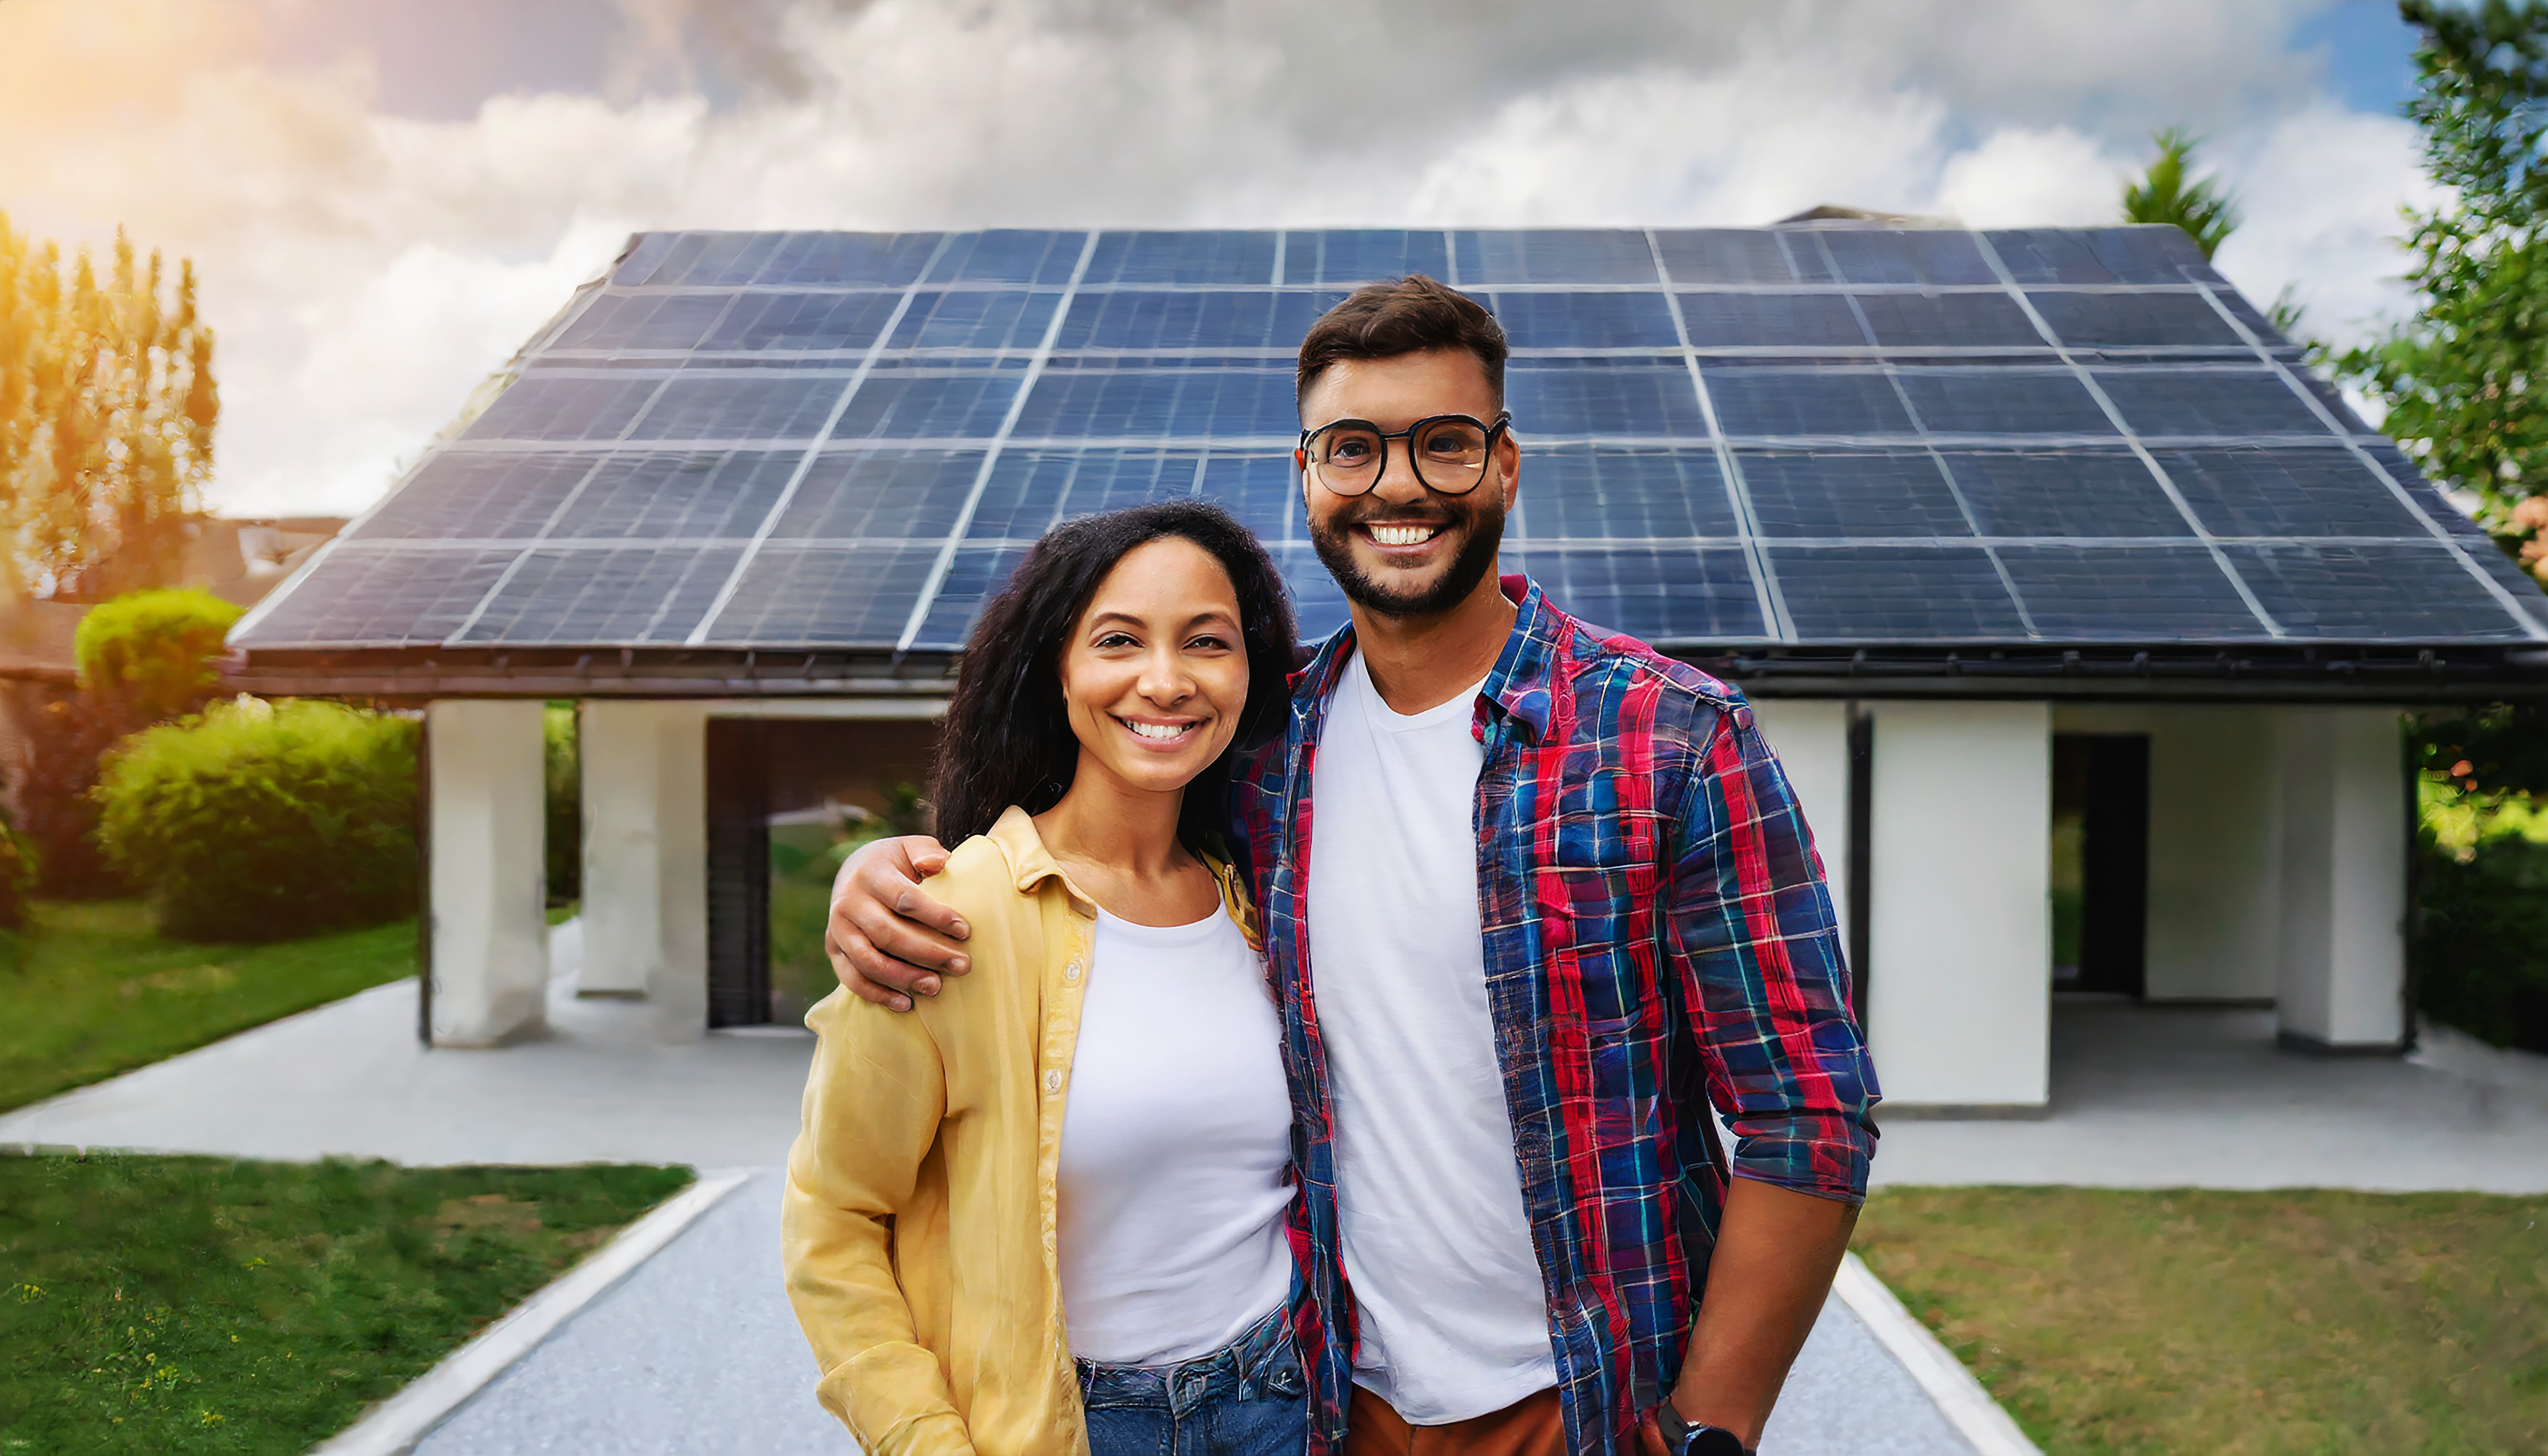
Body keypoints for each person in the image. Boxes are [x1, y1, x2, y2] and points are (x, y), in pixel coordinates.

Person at [826, 276, 1881, 1456]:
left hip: (1586, 1406)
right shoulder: (1266, 750)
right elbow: (1095, 830)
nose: (1399, 485)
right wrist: (881, 868)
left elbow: (1809, 1112)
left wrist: (1711, 1427)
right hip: (1328, 1405)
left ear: (1506, 467)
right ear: (1310, 475)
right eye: (1355, 449)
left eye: (1444, 444)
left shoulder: (1670, 740)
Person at [782, 500, 1318, 1456]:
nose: (1166, 680)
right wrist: (921, 1438)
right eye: (1118, 639)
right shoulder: (945, 916)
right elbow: (833, 1217)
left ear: (1247, 672)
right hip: (1070, 1425)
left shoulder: (1267, 896)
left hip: (1281, 1400)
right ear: (1058, 671)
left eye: (1207, 641)